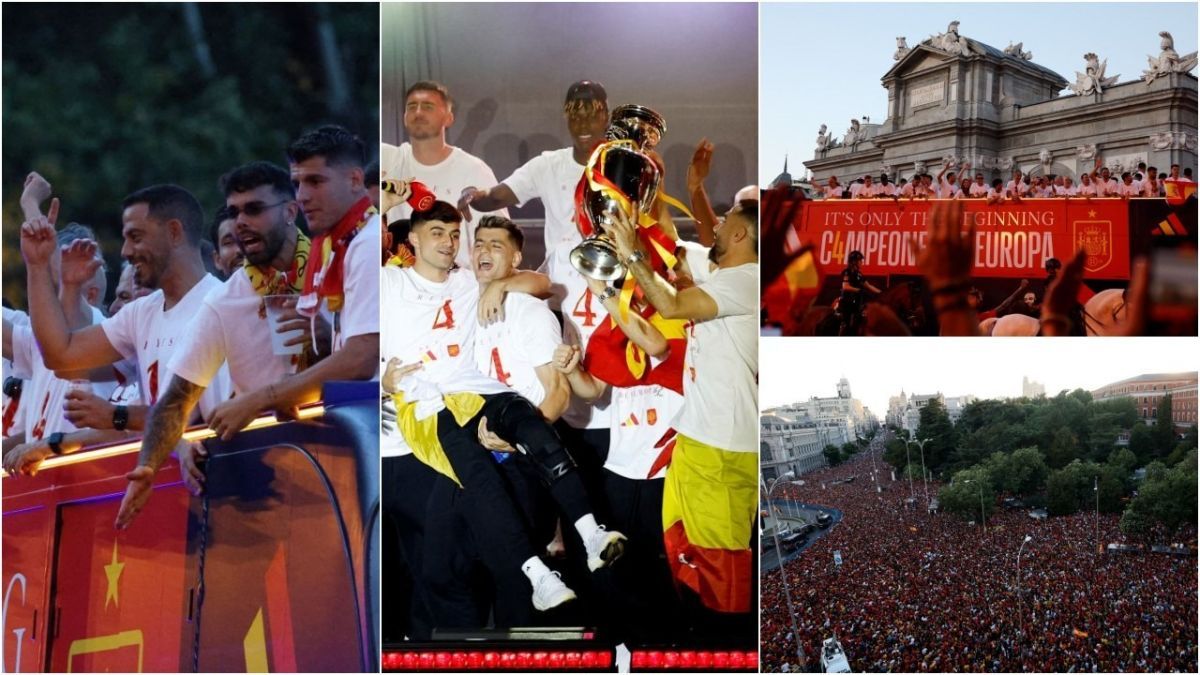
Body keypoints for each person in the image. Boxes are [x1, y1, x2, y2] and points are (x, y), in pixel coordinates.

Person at [116, 126, 381, 529]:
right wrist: (149, 466)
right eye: (234, 211)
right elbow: (176, 399)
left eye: (253, 209)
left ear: (289, 211)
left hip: (354, 454)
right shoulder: (225, 301)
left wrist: (322, 344)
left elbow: (362, 358)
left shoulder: (333, 257)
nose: (240, 222)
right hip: (279, 474)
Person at [380, 199, 626, 619]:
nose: (450, 243)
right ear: (413, 240)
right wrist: (383, 378)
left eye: (455, 235)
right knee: (477, 489)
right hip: (424, 404)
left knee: (527, 421)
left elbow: (542, 282)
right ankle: (538, 577)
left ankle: (591, 533)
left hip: (475, 393)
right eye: (438, 233)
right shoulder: (390, 283)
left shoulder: (466, 284)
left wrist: (500, 285)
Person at [604, 197, 759, 618]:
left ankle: (721, 653)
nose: (717, 225)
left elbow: (670, 303)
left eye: (726, 221)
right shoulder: (725, 273)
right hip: (699, 440)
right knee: (685, 553)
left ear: (742, 235)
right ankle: (697, 639)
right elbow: (672, 243)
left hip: (722, 449)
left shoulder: (748, 280)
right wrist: (660, 189)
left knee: (719, 573)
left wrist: (633, 253)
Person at [457, 80, 614, 476]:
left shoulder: (622, 162)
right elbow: (500, 196)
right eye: (574, 110)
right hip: (566, 302)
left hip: (614, 300)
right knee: (568, 403)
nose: (583, 118)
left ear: (606, 113)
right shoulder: (548, 164)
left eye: (592, 109)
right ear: (565, 114)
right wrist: (476, 196)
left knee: (611, 401)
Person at [381, 80, 508, 269]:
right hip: (403, 286)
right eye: (412, 106)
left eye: (428, 106)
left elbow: (500, 239)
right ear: (404, 117)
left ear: (449, 118)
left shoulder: (474, 170)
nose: (418, 112)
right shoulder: (390, 159)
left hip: (460, 287)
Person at [836, 251, 882, 336]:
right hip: (847, 302)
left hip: (857, 302)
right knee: (847, 323)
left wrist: (881, 293)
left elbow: (869, 286)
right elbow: (845, 286)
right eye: (860, 261)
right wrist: (858, 290)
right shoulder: (847, 272)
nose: (862, 263)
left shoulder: (859, 275)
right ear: (854, 262)